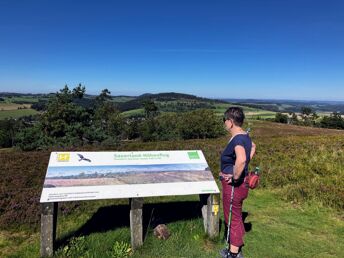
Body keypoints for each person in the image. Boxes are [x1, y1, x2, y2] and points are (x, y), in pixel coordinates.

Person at [219, 107, 256, 258]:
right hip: (243, 184)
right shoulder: (244, 136)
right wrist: (243, 166)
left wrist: (234, 176)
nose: (224, 123)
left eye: (224, 120)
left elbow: (241, 159)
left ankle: (233, 254)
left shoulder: (239, 138)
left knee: (232, 218)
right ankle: (235, 247)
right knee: (236, 215)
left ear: (231, 122)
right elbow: (253, 147)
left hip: (235, 186)